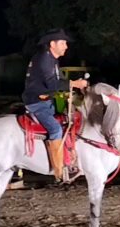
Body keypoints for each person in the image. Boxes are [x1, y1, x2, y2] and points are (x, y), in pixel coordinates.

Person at [22, 29, 89, 183]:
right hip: (37, 103)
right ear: (52, 44)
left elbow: (56, 83)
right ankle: (58, 172)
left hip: (45, 102)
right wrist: (75, 84)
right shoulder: (45, 60)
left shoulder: (50, 59)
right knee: (56, 129)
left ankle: (67, 161)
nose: (66, 46)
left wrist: (71, 85)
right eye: (63, 43)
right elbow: (52, 84)